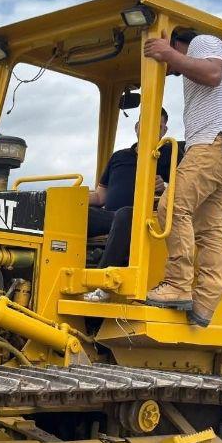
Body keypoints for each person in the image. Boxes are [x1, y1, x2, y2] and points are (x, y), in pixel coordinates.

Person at [141, 28, 222, 328]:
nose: (173, 71)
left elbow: (213, 72)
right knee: (208, 228)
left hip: (214, 143)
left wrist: (168, 54)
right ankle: (205, 301)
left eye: (173, 67)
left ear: (177, 40)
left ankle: (177, 284)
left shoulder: (202, 42)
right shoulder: (197, 54)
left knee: (171, 207)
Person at [83, 109, 177, 301]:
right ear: (136, 127)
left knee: (126, 215)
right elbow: (101, 197)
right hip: (110, 218)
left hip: (148, 221)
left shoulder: (172, 155)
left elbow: (189, 191)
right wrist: (70, 198)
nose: (150, 130)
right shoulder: (119, 157)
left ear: (164, 130)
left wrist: (166, 187)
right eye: (145, 124)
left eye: (157, 126)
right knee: (74, 213)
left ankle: (101, 282)